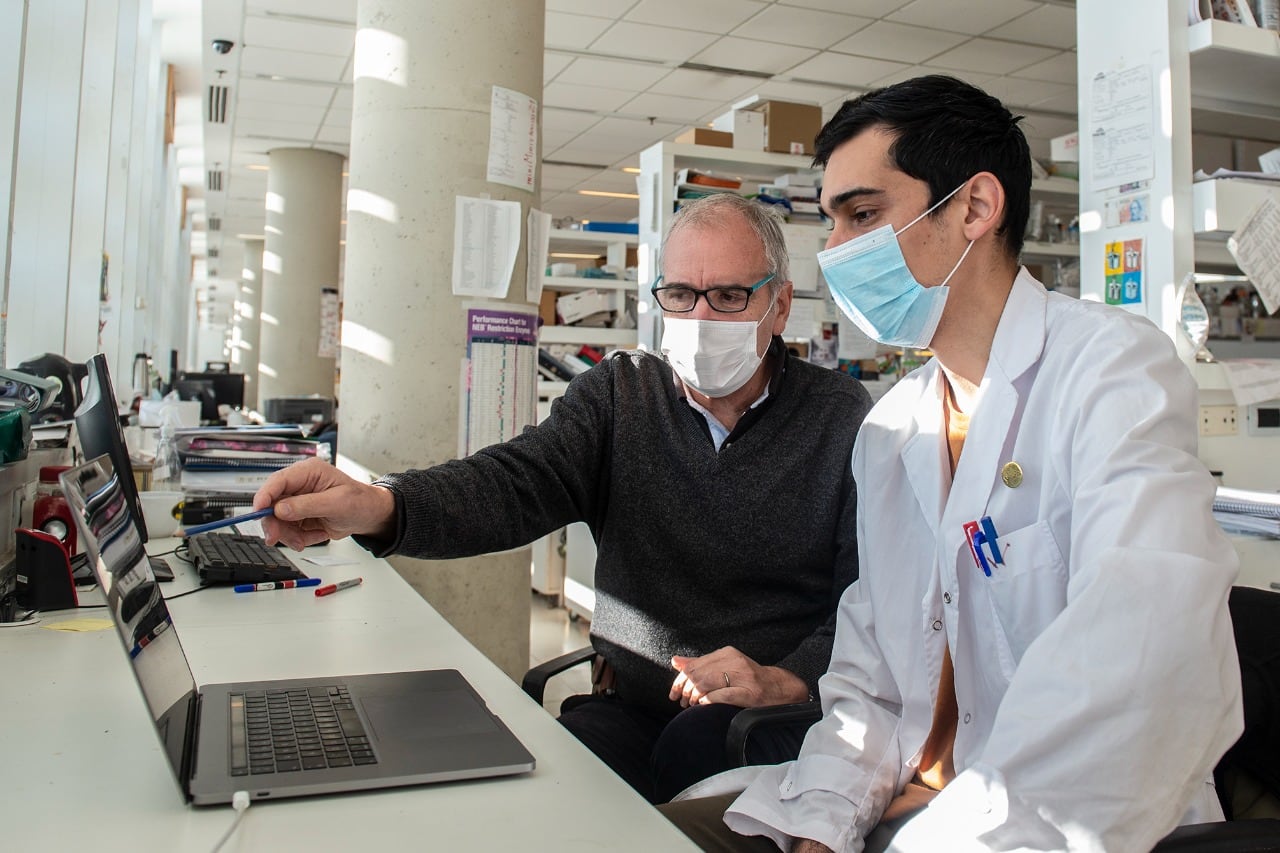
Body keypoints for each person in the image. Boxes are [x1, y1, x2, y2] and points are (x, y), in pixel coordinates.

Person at [663, 75, 1243, 851]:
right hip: (905, 799)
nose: (836, 253)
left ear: (974, 207)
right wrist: (825, 824)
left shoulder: (1113, 373)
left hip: (1045, 820)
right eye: (832, 223)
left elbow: (1137, 662)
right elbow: (871, 677)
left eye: (863, 215)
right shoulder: (895, 424)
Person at [253, 192, 873, 804]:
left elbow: (867, 594)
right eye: (681, 295)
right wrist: (378, 503)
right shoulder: (621, 394)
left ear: (781, 304)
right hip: (632, 708)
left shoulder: (840, 416)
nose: (700, 319)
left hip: (765, 717)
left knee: (696, 756)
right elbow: (511, 483)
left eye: (730, 297)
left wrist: (787, 680)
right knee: (551, 789)